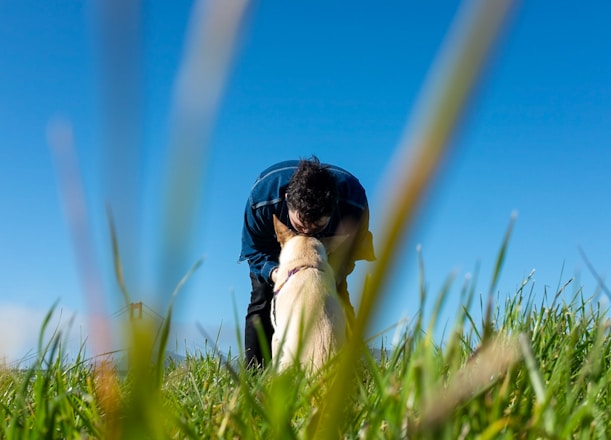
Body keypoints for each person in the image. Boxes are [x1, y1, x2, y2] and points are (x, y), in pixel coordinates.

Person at [239, 156, 375, 368]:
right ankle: (255, 374)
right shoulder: (261, 200)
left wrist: (334, 276)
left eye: (316, 227)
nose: (307, 233)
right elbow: (254, 251)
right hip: (277, 246)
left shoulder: (354, 205)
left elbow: (354, 250)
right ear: (287, 199)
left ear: (334, 206)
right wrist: (278, 275)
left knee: (338, 299)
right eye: (301, 225)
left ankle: (351, 373)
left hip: (330, 250)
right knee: (262, 300)